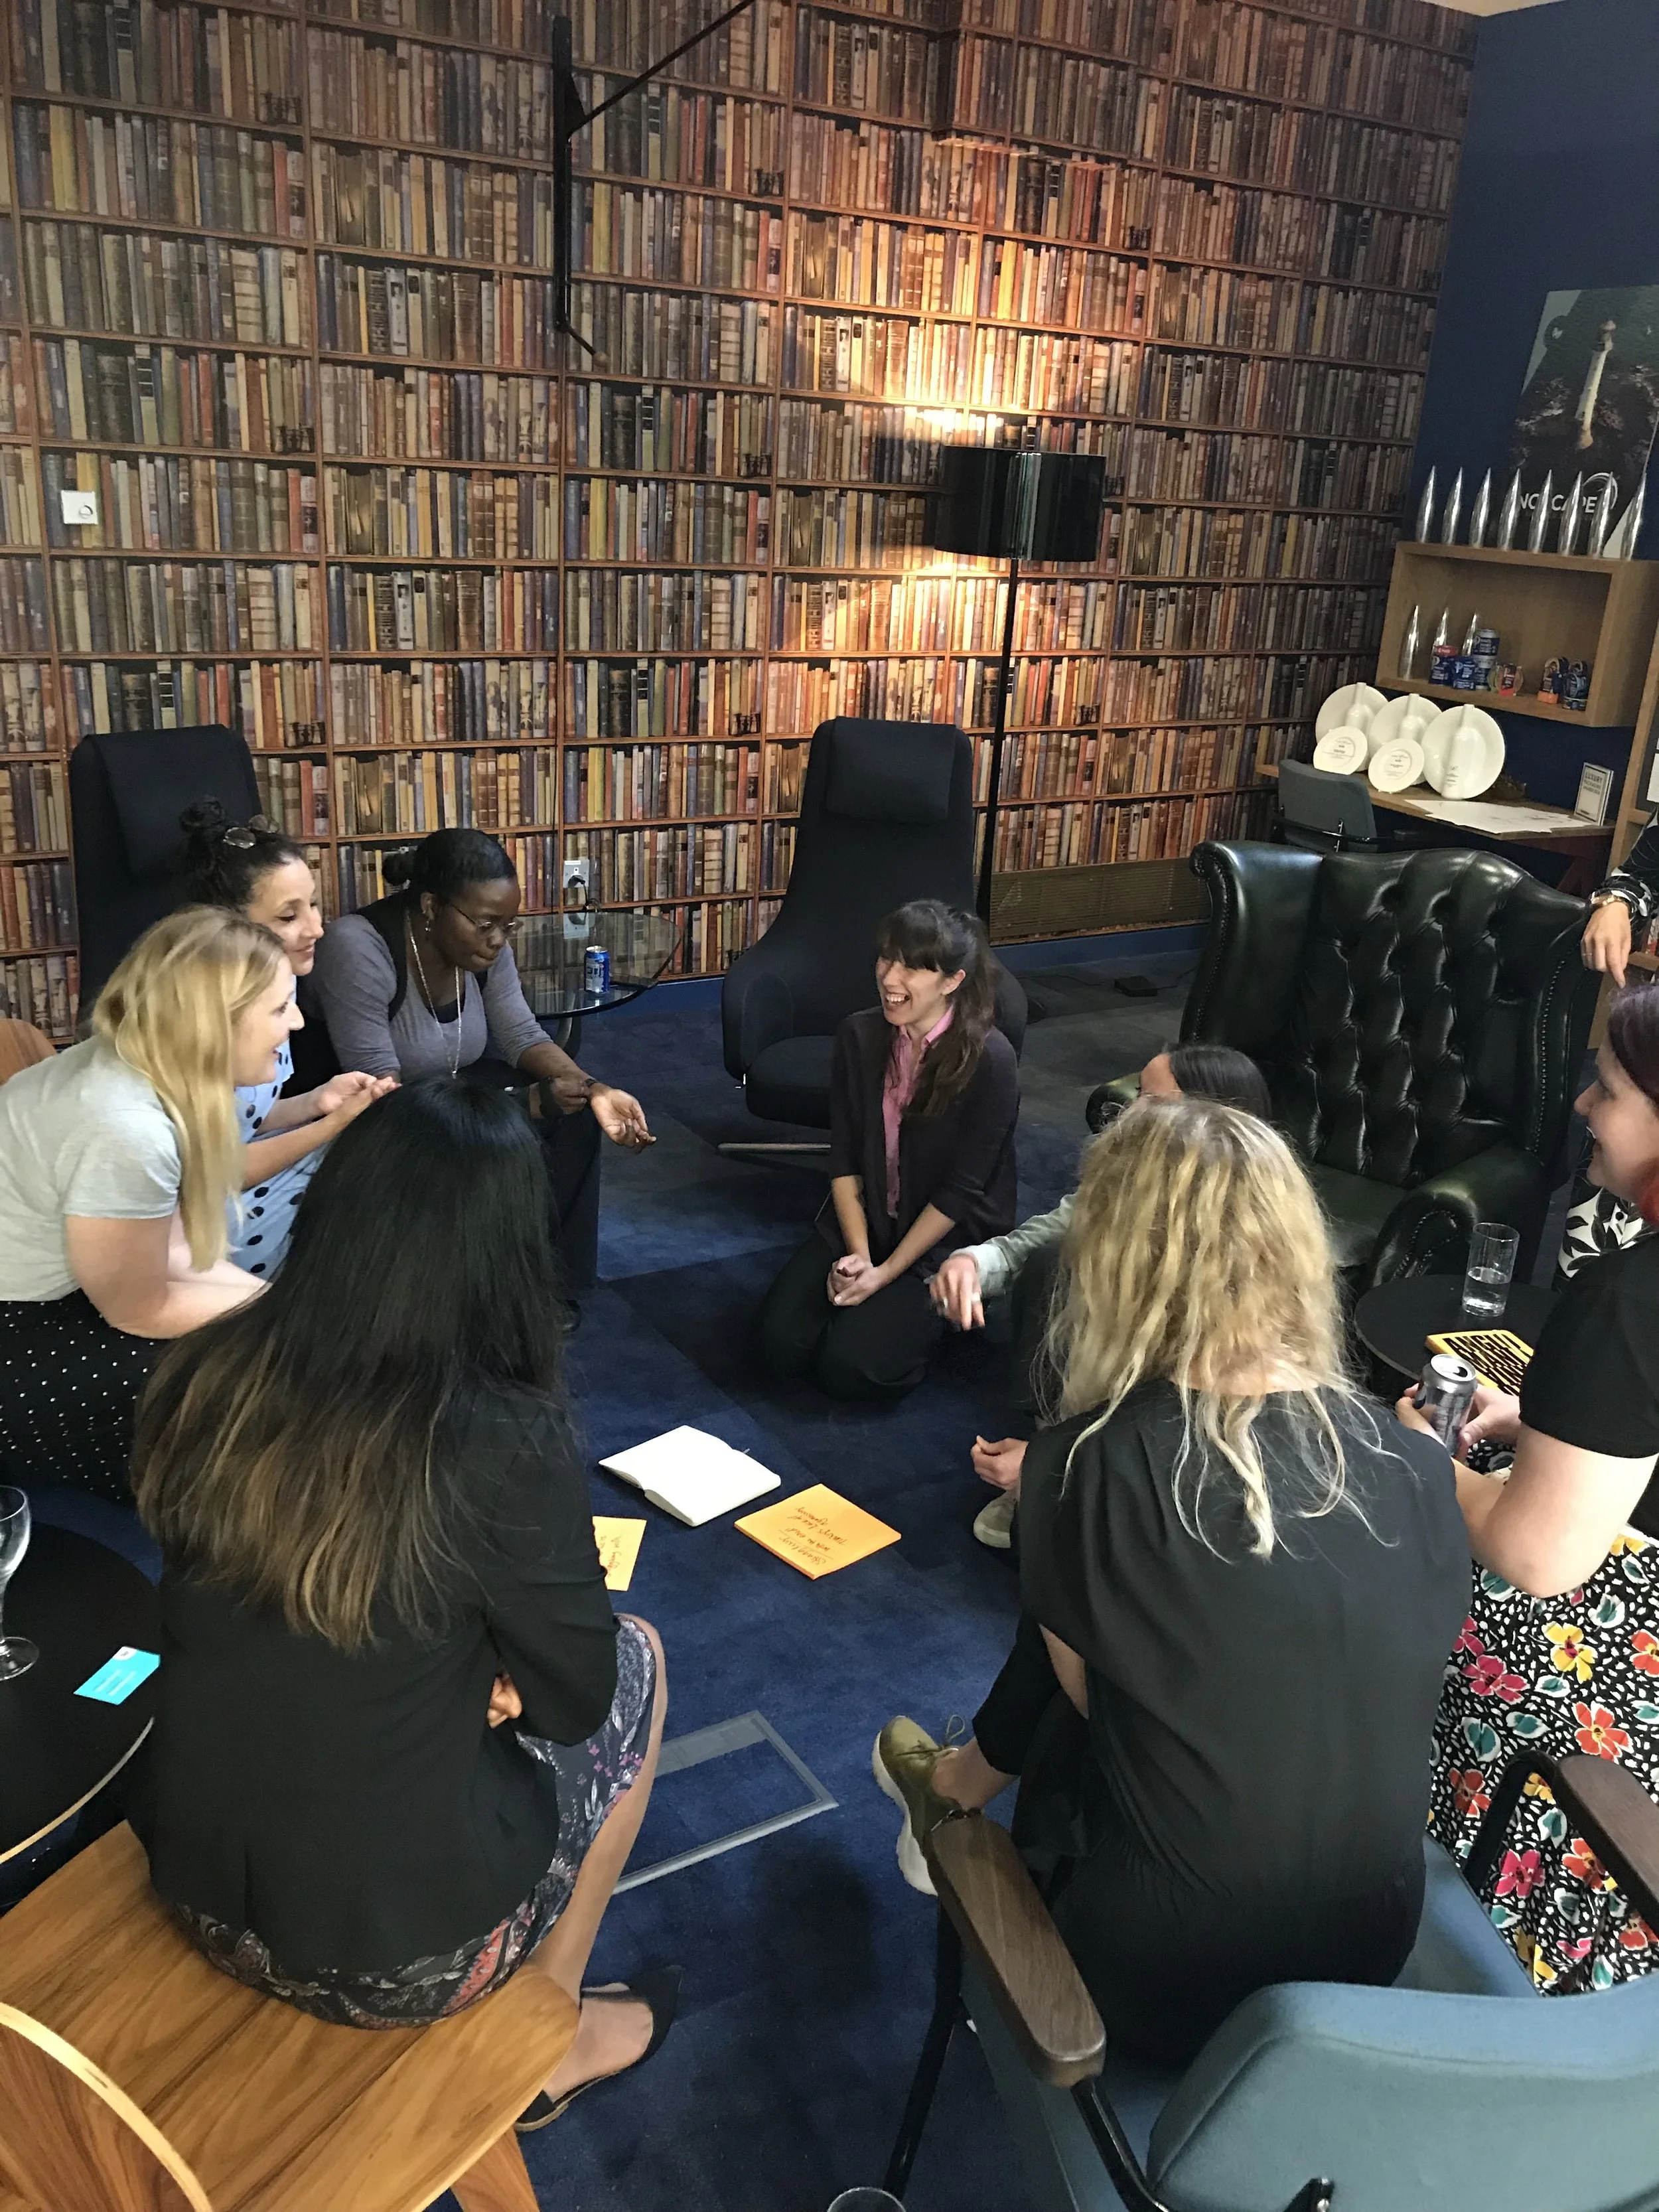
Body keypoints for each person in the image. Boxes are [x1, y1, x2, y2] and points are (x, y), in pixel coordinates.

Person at [875, 1098, 1469, 2063]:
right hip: (1371, 1956)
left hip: (1155, 1984)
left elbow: (1099, 1707)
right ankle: (956, 1783)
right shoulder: (1414, 1460)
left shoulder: (1076, 1465)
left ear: (1112, 1263)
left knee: (1090, 1688)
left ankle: (952, 1798)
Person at [129, 1080, 676, 2122]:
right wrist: (493, 1677)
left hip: (193, 1877)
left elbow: (269, 1610)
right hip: (399, 1954)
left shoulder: (212, 1371)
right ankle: (545, 2033)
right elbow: (579, 1699)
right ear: (510, 1250)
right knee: (644, 1659)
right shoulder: (500, 1437)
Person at [1408, 982, 1659, 1990]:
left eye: (1607, 1089)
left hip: (1601, 1687)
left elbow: (1536, 1555)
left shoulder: (1628, 1300)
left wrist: (1432, 1463)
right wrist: (1549, 1426)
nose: (1584, 1109)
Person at [933, 1043, 1271, 1547]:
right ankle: (1047, 1438)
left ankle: (1066, 1472)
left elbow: (1184, 1398)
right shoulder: (1125, 1174)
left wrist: (1069, 1466)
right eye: (1138, 1093)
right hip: (1111, 1390)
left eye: (1154, 1101)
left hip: (1184, 1425)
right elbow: (1045, 1236)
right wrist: (973, 1261)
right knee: (1054, 1264)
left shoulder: (1249, 1234)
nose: (1131, 1112)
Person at [0, 908, 285, 1499]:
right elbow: (138, 1308)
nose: (298, 1021)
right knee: (221, 1393)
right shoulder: (127, 1127)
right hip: (17, 1331)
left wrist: (280, 1308)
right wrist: (287, 1322)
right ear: (216, 1023)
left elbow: (174, 1249)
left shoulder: (139, 1066)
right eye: (281, 1009)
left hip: (60, 1294)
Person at [309, 828, 652, 1295]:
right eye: (486, 924)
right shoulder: (359, 946)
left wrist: (593, 1087)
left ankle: (552, 1287)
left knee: (577, 1116)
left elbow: (520, 1032)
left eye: (509, 926)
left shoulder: (486, 947)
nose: (498, 941)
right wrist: (523, 1103)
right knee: (526, 1115)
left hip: (452, 1087)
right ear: (431, 907)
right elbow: (380, 1104)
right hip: (380, 1120)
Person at [758, 899, 1019, 1402]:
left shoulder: (992, 1060)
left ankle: (941, 1322)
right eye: (886, 958)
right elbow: (844, 1157)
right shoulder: (859, 1035)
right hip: (871, 1217)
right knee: (778, 1348)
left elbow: (960, 1194)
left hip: (943, 1236)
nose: (890, 976)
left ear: (952, 981)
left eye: (914, 965)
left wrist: (885, 1275)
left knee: (854, 1370)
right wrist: (858, 1255)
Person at [181, 801, 396, 1278]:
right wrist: (331, 1125)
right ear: (228, 927)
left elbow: (243, 1118)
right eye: (287, 916)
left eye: (313, 903)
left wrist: (318, 1100)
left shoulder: (283, 979)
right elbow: (216, 1171)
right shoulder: (206, 1021)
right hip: (212, 1221)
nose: (317, 928)